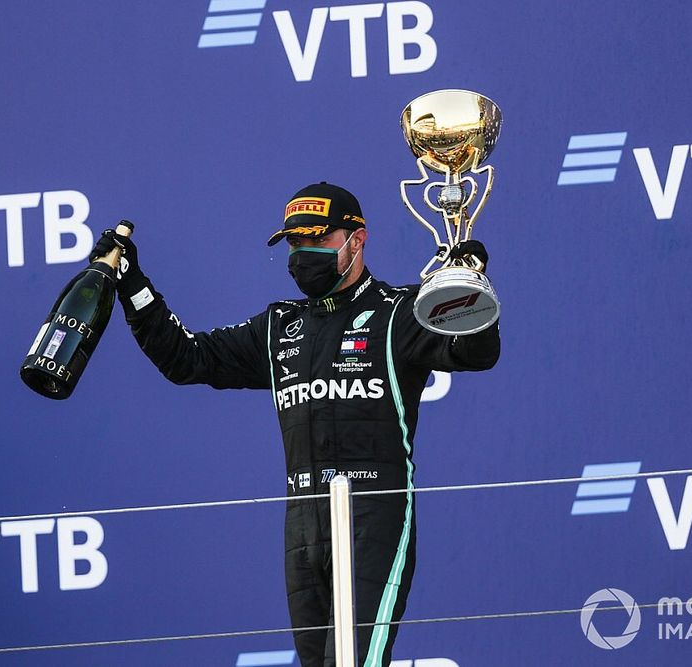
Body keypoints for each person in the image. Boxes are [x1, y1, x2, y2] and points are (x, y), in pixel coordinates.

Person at [91, 182, 499, 667]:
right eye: (294, 242)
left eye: (316, 239)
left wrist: (467, 288)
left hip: (373, 517)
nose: (303, 252)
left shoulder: (398, 312)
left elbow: (476, 352)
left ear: (357, 238)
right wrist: (132, 285)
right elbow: (186, 359)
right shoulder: (281, 326)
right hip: (301, 523)